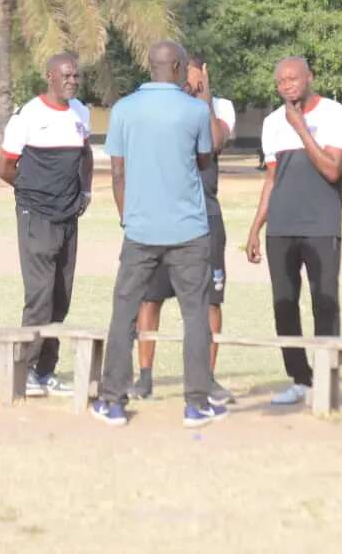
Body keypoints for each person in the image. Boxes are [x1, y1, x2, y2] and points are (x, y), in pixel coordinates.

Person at [92, 41, 227, 428]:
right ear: (182, 66)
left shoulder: (124, 110)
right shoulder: (193, 110)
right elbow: (205, 160)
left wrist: (128, 219)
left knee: (124, 313)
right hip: (189, 230)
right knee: (195, 315)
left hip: (140, 230)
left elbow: (118, 174)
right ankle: (195, 404)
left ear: (149, 65)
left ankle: (114, 402)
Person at [246, 57, 342, 406]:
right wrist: (255, 226)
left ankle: (325, 381)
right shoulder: (271, 123)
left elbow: (332, 171)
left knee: (324, 303)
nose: (287, 85)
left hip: (321, 226)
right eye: (280, 81)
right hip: (281, 227)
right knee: (284, 305)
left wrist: (301, 128)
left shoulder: (336, 114)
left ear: (310, 78)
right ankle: (300, 380)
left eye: (293, 78)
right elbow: (272, 179)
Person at [131, 55, 236, 405]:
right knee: (150, 297)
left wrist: (205, 100)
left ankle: (206, 378)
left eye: (194, 79)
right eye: (183, 79)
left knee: (210, 301)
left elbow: (216, 142)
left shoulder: (220, 107)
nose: (187, 85)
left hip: (205, 215)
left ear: (205, 75)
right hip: (162, 213)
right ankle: (144, 377)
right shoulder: (162, 106)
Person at [0, 54, 93, 397]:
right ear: (49, 77)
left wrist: (85, 191)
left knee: (60, 297)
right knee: (39, 296)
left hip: (69, 217)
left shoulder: (81, 112)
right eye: (66, 75)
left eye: (76, 76)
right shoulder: (28, 116)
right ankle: (22, 373)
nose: (72, 80)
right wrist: (33, 195)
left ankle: (45, 372)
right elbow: (4, 168)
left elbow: (85, 156)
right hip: (36, 216)